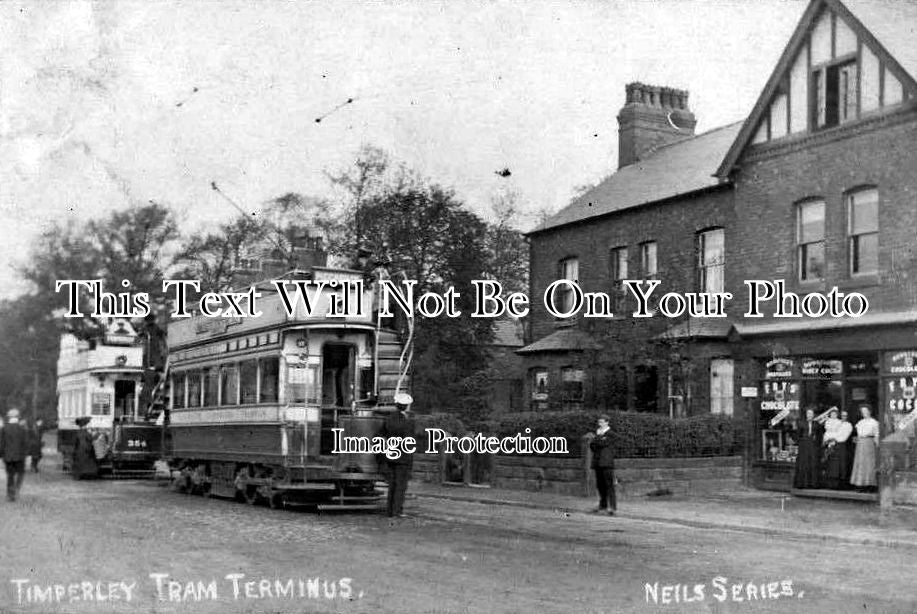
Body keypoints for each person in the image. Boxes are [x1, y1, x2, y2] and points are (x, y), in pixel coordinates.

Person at [379, 392, 416, 518]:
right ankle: (397, 511)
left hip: (390, 456)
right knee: (401, 485)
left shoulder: (388, 419)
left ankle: (390, 511)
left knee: (393, 484)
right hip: (403, 458)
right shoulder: (408, 422)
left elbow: (380, 436)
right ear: (406, 406)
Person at [588, 415, 616, 515]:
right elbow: (592, 446)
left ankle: (612, 507)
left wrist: (597, 439)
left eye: (602, 422)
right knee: (600, 485)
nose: (600, 424)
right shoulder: (598, 433)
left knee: (609, 485)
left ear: (607, 422)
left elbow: (601, 444)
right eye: (599, 422)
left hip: (606, 462)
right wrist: (597, 440)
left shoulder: (610, 434)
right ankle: (602, 505)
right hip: (597, 462)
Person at [0, 409, 29, 501]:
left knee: (10, 475)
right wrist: (26, 455)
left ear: (8, 417)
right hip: (20, 456)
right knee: (20, 474)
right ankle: (16, 490)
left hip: (8, 456)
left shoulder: (3, 429)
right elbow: (25, 443)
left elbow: (1, 443)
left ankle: (10, 494)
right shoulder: (22, 429)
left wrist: (1, 455)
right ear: (18, 417)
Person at [850, 404, 880, 491]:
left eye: (866, 411)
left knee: (869, 463)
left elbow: (876, 435)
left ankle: (870, 484)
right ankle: (860, 484)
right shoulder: (860, 423)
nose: (864, 413)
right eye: (863, 412)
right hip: (860, 444)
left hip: (869, 443)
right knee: (860, 463)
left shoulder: (874, 422)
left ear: (870, 411)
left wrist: (877, 445)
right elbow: (857, 435)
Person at [822, 407, 853, 490]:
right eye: (832, 414)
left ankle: (838, 484)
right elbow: (827, 433)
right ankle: (829, 483)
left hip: (838, 445)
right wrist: (827, 440)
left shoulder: (842, 424)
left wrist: (833, 439)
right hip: (830, 444)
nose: (833, 415)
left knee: (838, 465)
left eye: (835, 414)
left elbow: (840, 435)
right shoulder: (829, 423)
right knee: (830, 464)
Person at [793, 407, 822, 489]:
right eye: (808, 414)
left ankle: (813, 484)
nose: (810, 415)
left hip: (813, 446)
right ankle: (802, 483)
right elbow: (798, 435)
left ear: (813, 415)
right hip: (804, 446)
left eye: (811, 414)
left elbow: (820, 436)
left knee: (813, 464)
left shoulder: (817, 424)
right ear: (806, 415)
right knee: (804, 464)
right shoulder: (801, 423)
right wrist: (801, 442)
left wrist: (817, 444)